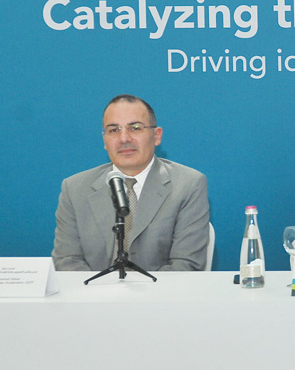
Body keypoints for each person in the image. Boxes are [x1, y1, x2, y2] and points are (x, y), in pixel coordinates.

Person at [52, 94, 210, 271]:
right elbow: (67, 260)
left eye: (135, 128)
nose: (124, 138)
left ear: (156, 136)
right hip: (94, 296)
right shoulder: (74, 189)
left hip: (160, 296)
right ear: (104, 140)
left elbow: (185, 264)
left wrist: (135, 298)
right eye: (114, 130)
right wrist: (101, 296)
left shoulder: (188, 185)